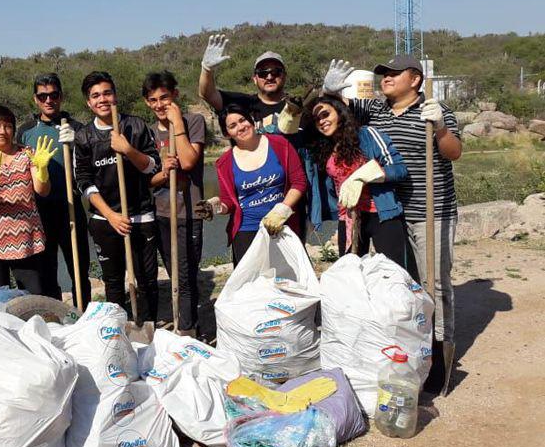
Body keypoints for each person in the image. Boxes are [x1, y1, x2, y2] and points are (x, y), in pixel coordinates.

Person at [322, 55, 462, 394]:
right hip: (390, 210)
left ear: (415, 79)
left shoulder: (434, 111)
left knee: (434, 284)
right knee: (405, 286)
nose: (385, 78)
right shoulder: (376, 111)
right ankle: (410, 350)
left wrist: (441, 126)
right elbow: (338, 118)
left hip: (431, 210)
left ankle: (439, 360)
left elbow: (454, 152)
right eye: (383, 74)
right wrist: (330, 92)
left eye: (393, 74)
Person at [74, 71, 161, 322]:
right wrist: (111, 215)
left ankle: (148, 331)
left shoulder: (135, 126)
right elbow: (84, 182)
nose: (102, 99)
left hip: (140, 215)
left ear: (115, 96)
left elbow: (151, 167)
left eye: (107, 93)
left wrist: (127, 150)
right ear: (88, 102)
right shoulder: (84, 137)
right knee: (113, 282)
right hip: (106, 220)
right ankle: (117, 331)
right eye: (95, 95)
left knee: (146, 279)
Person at [302, 95, 419, 277]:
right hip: (348, 218)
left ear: (340, 112)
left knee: (395, 274)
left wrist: (367, 175)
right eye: (317, 119)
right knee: (352, 277)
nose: (322, 121)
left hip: (381, 214)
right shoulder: (323, 149)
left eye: (325, 114)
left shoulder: (368, 135)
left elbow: (400, 169)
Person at [141, 70, 211, 339]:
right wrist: (162, 172)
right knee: (174, 276)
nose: (159, 104)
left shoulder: (192, 122)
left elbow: (190, 160)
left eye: (164, 97)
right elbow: (147, 180)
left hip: (187, 212)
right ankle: (182, 320)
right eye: (153, 100)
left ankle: (187, 331)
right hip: (159, 214)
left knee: (184, 277)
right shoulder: (147, 133)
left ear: (175, 96)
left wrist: (176, 124)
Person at [16, 72, 92, 309]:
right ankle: (55, 317)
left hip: (70, 207)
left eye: (53, 95)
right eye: (43, 96)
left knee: (79, 268)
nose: (48, 100)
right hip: (39, 213)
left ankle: (82, 314)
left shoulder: (77, 128)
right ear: (35, 99)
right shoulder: (26, 131)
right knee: (47, 271)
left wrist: (77, 144)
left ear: (61, 96)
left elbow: (89, 165)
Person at [197, 104, 307, 264]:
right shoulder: (224, 163)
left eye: (242, 120)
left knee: (287, 283)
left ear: (251, 120)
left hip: (281, 225)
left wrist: (283, 209)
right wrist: (215, 206)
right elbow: (229, 202)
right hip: (246, 230)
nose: (240, 127)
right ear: (227, 134)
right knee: (252, 287)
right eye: (233, 126)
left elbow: (299, 181)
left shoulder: (280, 145)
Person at [0, 104, 57, 294]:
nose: (3, 131)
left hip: (25, 239)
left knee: (34, 295)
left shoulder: (26, 154)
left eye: (8, 126)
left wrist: (42, 170)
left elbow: (43, 191)